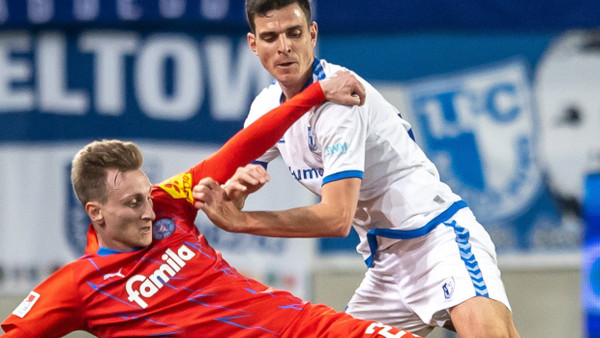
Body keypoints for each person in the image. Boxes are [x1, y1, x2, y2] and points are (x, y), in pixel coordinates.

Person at [1, 75, 419, 338]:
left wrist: (312, 95)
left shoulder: (168, 204)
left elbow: (241, 147)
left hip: (307, 327)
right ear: (95, 213)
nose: (149, 211)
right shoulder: (79, 286)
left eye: (146, 196)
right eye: (133, 203)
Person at [193, 1, 520, 337]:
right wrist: (233, 195)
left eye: (294, 33)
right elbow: (234, 187)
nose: (284, 47)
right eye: (270, 37)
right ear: (253, 44)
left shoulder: (340, 101)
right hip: (387, 266)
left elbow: (337, 218)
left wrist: (243, 221)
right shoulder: (265, 107)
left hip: (438, 238)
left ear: (312, 34)